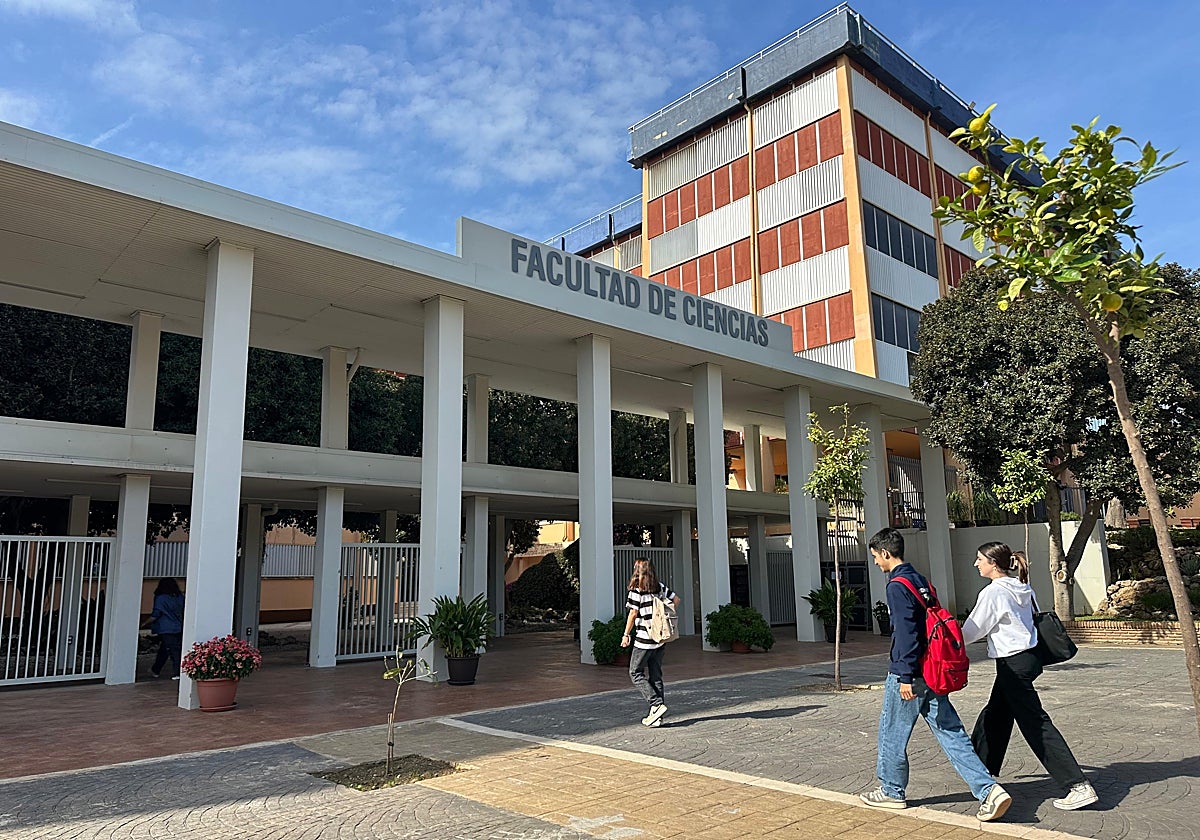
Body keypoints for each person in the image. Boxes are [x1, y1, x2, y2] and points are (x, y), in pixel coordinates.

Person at [860, 528, 1013, 822]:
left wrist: (905, 676)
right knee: (952, 733)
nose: (876, 562)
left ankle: (891, 791)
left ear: (886, 553)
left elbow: (907, 634)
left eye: (876, 556)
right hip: (933, 670)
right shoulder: (920, 580)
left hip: (911, 674)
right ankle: (989, 791)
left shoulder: (897, 586)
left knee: (892, 733)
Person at [962, 541, 1099, 811]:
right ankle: (978, 770)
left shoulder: (993, 593)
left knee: (1035, 723)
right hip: (1028, 659)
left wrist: (944, 641)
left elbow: (972, 631)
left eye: (980, 559)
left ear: (993, 564)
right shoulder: (1022, 587)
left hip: (1013, 664)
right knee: (996, 714)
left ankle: (1078, 785)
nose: (976, 564)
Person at [619, 558, 681, 728]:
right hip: (659, 639)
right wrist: (663, 617)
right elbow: (676, 600)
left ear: (637, 570)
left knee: (635, 672)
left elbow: (633, 613)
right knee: (656, 675)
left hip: (644, 638)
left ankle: (656, 704)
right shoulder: (659, 587)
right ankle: (657, 717)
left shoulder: (636, 589)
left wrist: (626, 634)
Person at [142, 578, 185, 679]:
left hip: (166, 628)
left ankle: (177, 673)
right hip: (178, 626)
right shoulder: (179, 597)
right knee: (166, 649)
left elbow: (156, 614)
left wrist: (144, 623)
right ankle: (155, 669)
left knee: (173, 650)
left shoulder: (160, 598)